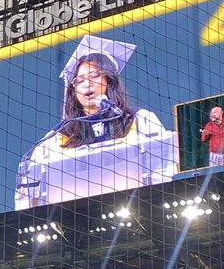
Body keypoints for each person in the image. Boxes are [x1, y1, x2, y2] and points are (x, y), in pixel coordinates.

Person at [16, 36, 175, 208]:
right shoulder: (57, 138)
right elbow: (32, 189)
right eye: (79, 80)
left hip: (139, 209)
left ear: (110, 80)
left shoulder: (141, 121)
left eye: (94, 75)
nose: (87, 84)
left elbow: (163, 170)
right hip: (75, 219)